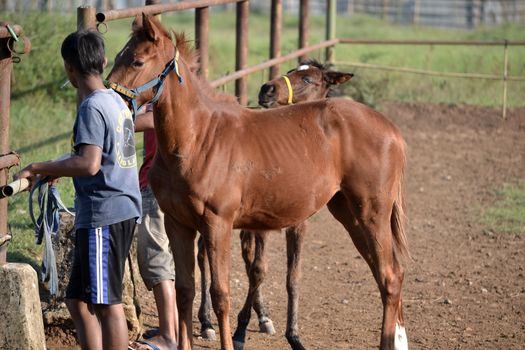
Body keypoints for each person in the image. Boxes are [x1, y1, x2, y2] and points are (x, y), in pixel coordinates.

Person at [16, 30, 141, 350]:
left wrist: (39, 167)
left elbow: (88, 164)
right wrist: (56, 168)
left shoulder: (91, 107)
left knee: (106, 303)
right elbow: (97, 157)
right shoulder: (116, 100)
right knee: (77, 302)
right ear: (103, 61)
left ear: (68, 68)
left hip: (104, 214)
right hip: (121, 209)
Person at [128, 104, 179, 350]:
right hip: (173, 184)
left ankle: (169, 336)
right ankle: (174, 329)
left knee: (155, 257)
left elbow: (148, 120)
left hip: (157, 183)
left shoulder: (162, 96)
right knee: (172, 259)